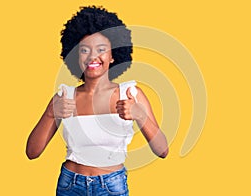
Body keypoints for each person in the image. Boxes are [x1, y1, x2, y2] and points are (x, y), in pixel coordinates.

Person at [26, 6, 168, 196]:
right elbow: (32, 152)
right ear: (76, 56)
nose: (93, 56)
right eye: (84, 50)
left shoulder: (130, 94)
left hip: (111, 186)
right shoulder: (64, 97)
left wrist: (140, 115)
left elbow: (163, 150)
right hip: (70, 185)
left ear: (113, 56)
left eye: (101, 49)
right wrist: (50, 113)